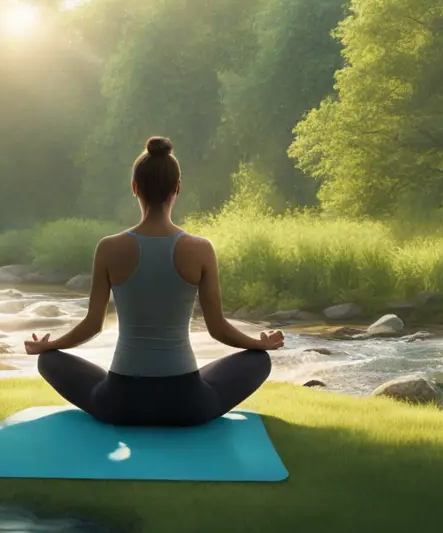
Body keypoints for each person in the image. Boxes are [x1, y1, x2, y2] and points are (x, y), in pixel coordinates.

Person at [26, 136, 283, 427]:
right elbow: (217, 328)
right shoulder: (200, 248)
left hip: (120, 403)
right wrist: (259, 344)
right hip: (187, 404)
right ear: (177, 188)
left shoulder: (108, 247)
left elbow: (92, 325)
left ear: (134, 187)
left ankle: (52, 359)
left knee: (49, 361)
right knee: (258, 360)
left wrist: (49, 346)